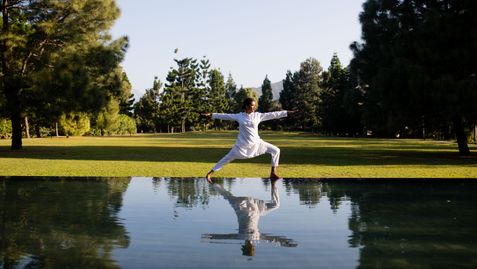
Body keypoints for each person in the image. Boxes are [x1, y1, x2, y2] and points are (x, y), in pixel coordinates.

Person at [204, 98, 295, 183]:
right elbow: (225, 116)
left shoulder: (258, 116)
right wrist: (212, 115)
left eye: (255, 106)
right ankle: (209, 174)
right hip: (241, 146)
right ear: (246, 106)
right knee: (226, 158)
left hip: (257, 144)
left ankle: (273, 173)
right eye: (252, 105)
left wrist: (287, 113)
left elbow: (273, 114)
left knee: (276, 150)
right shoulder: (239, 116)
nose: (254, 107)